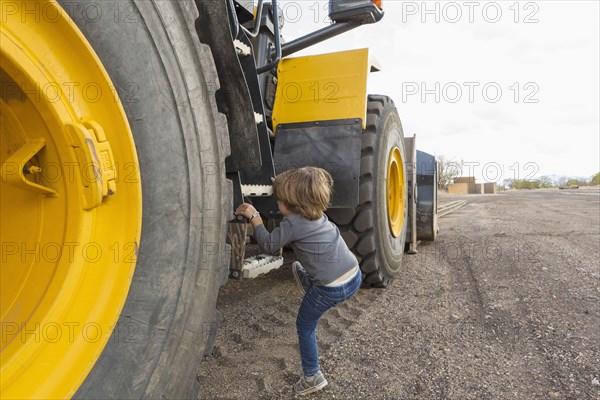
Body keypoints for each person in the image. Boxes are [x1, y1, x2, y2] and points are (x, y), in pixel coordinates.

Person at [235, 167, 362, 396]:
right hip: (354, 276)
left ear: (292, 205)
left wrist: (255, 217)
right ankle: (309, 284)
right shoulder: (318, 213)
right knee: (310, 265)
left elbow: (268, 244)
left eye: (280, 200)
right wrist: (282, 186)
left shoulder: (292, 223)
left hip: (329, 289)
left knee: (305, 326)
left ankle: (312, 376)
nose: (277, 204)